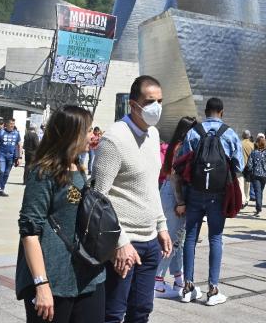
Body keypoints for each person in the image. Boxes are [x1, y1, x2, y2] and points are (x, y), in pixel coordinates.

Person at [93, 76, 173, 323]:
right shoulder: (114, 139)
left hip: (150, 244)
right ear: (133, 104)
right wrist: (119, 242)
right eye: (150, 101)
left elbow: (151, 187)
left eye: (159, 101)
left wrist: (161, 226)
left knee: (141, 311)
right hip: (123, 244)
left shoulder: (153, 134)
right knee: (113, 313)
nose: (156, 107)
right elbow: (98, 199)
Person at [16, 106, 105, 322]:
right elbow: (29, 230)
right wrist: (41, 284)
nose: (92, 136)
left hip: (86, 274)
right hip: (53, 279)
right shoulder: (44, 172)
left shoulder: (77, 167)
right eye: (88, 130)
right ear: (70, 134)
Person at [177, 98, 243, 306]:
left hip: (194, 192)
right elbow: (239, 165)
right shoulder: (229, 133)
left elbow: (181, 161)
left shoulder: (194, 131)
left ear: (205, 111)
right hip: (218, 194)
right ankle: (213, 290)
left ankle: (187, 287)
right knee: (215, 238)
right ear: (221, 112)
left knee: (190, 237)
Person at [153, 116, 197, 300]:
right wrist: (180, 202)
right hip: (174, 195)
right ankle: (157, 281)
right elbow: (175, 177)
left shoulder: (176, 145)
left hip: (168, 192)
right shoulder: (182, 147)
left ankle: (178, 278)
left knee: (178, 238)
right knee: (171, 239)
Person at [0, 118, 22, 197]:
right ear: (6, 124)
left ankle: (1, 189)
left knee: (6, 173)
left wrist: (19, 157)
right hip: (1, 155)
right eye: (10, 124)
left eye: (13, 124)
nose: (12, 125)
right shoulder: (0, 132)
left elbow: (20, 145)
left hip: (11, 156)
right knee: (2, 171)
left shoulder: (16, 133)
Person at [246, 135, 266, 217]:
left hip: (255, 174)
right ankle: (259, 206)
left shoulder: (253, 153)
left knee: (257, 192)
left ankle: (258, 209)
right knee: (260, 191)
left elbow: (249, 165)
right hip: (264, 175)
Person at [240, 130, 254, 208]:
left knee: (241, 184)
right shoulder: (252, 145)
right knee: (247, 184)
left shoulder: (239, 143)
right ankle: (247, 198)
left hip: (240, 166)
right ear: (249, 136)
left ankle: (242, 199)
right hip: (249, 167)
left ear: (242, 135)